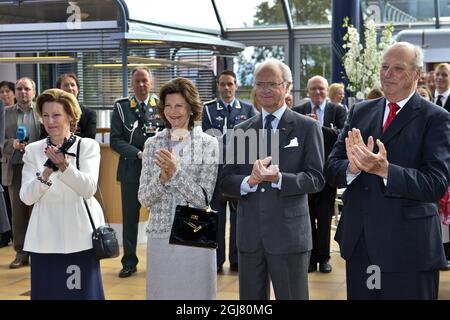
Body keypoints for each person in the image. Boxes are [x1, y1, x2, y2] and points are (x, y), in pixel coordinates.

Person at [325, 42, 450, 300]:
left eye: (397, 68)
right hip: (361, 244)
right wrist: (352, 167)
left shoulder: (435, 118)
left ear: (417, 74)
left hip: (408, 248)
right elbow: (331, 168)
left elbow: (436, 184)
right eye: (384, 67)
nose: (387, 74)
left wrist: (386, 171)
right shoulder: (360, 111)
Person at [220, 59, 325, 300]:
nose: (265, 89)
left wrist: (279, 178)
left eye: (272, 84)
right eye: (260, 84)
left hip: (289, 236)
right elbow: (225, 180)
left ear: (287, 86)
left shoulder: (307, 127)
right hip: (249, 237)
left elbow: (316, 179)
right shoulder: (242, 130)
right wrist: (249, 181)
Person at [19, 88, 105, 299]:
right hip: (44, 239)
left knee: (83, 295)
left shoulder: (88, 146)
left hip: (80, 238)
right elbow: (26, 196)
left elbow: (88, 188)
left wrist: (65, 166)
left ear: (70, 116)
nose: (50, 121)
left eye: (56, 115)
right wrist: (47, 171)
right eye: (45, 115)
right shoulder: (33, 150)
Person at [138, 77, 219, 300]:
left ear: (191, 108)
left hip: (195, 231)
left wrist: (175, 173)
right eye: (168, 106)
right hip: (160, 235)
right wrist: (162, 180)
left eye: (179, 106)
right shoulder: (152, 144)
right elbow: (144, 198)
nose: (172, 112)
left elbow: (203, 198)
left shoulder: (208, 144)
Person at [111, 66, 164, 278]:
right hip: (131, 170)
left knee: (160, 217)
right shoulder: (122, 107)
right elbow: (115, 139)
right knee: (130, 219)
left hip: (159, 171)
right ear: (132, 84)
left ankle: (160, 260)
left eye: (145, 81)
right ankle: (129, 262)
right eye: (137, 81)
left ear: (151, 83)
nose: (141, 85)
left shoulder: (162, 106)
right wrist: (138, 154)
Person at [202, 70, 256, 273]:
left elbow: (253, 141)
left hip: (238, 174)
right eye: (222, 84)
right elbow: (207, 142)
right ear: (217, 86)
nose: (226, 88)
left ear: (236, 86)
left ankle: (236, 260)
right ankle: (216, 260)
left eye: (230, 84)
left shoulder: (249, 110)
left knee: (238, 219)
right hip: (215, 174)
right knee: (216, 217)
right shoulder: (207, 111)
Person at [292, 75, 347, 274]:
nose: (317, 92)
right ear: (308, 91)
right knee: (306, 218)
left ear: (326, 91)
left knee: (324, 218)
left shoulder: (337, 110)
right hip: (304, 174)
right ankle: (309, 257)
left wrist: (316, 127)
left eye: (321, 89)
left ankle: (323, 258)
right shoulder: (298, 111)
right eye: (313, 89)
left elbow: (342, 136)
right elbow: (290, 139)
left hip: (326, 175)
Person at [3, 77, 42, 268]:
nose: (23, 92)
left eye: (27, 88)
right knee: (18, 213)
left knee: (40, 210)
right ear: (15, 92)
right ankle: (21, 253)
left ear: (34, 91)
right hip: (16, 168)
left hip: (39, 169)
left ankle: (41, 251)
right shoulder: (5, 113)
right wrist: (12, 144)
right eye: (19, 88)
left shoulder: (42, 112)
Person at [56, 73, 97, 139]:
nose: (70, 88)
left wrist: (64, 135)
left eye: (72, 85)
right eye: (66, 85)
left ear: (78, 89)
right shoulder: (52, 112)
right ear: (59, 90)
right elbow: (45, 136)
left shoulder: (89, 113)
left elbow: (90, 137)